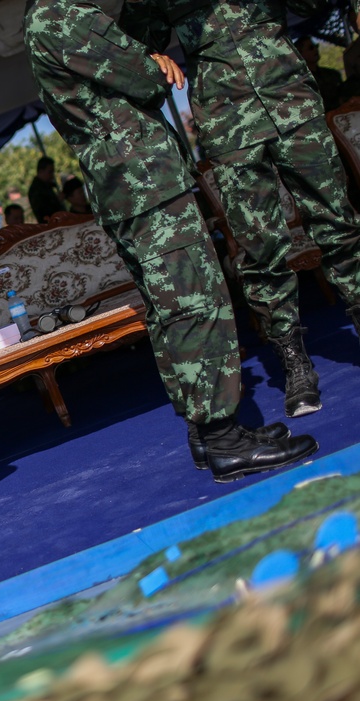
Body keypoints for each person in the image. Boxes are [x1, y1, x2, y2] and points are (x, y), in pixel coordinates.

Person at [25, 0, 319, 482]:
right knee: (195, 305)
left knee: (171, 309)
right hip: (143, 183)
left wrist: (145, 62)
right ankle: (224, 438)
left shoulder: (53, 16)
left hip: (135, 184)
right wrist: (153, 67)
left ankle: (208, 433)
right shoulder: (61, 14)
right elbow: (144, 78)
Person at [120, 0, 360, 419]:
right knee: (260, 249)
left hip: (291, 98)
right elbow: (136, 41)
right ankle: (293, 360)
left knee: (337, 221)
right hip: (228, 121)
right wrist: (151, 56)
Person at [294, 35, 343, 111]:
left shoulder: (332, 74)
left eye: (316, 46)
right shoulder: (300, 81)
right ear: (300, 55)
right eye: (311, 48)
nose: (315, 49)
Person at [27, 156, 65, 223]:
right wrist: (57, 201)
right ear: (41, 171)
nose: (52, 175)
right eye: (50, 172)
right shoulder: (37, 190)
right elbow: (43, 211)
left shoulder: (46, 186)